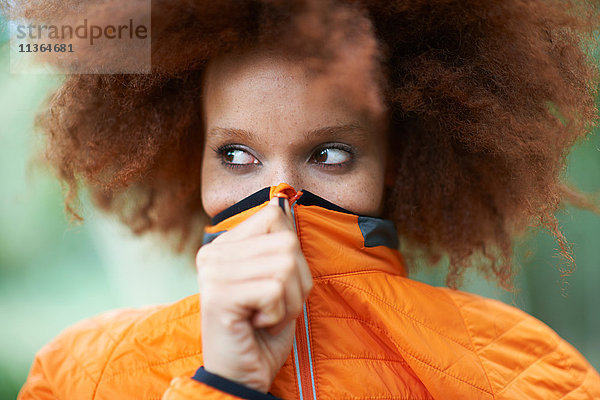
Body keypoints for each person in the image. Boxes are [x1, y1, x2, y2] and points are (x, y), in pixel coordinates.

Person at [10, 0, 600, 398]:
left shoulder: (532, 374)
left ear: (395, 159)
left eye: (330, 155)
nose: (279, 202)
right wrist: (222, 382)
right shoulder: (80, 376)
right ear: (190, 157)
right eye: (237, 157)